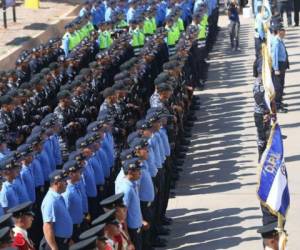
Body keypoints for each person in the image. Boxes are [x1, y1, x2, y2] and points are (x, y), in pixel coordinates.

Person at [40, 170, 73, 250]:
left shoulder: (58, 197)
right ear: (56, 183)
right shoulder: (50, 201)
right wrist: (54, 248)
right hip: (56, 243)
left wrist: (68, 239)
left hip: (63, 242)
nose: (67, 183)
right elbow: (47, 227)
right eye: (64, 181)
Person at [271, 24, 289, 113]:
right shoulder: (276, 42)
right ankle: (277, 106)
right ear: (278, 32)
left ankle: (279, 102)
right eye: (283, 30)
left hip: (282, 65)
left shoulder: (279, 40)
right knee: (278, 87)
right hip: (278, 66)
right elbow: (274, 56)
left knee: (281, 85)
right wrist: (276, 68)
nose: (284, 32)